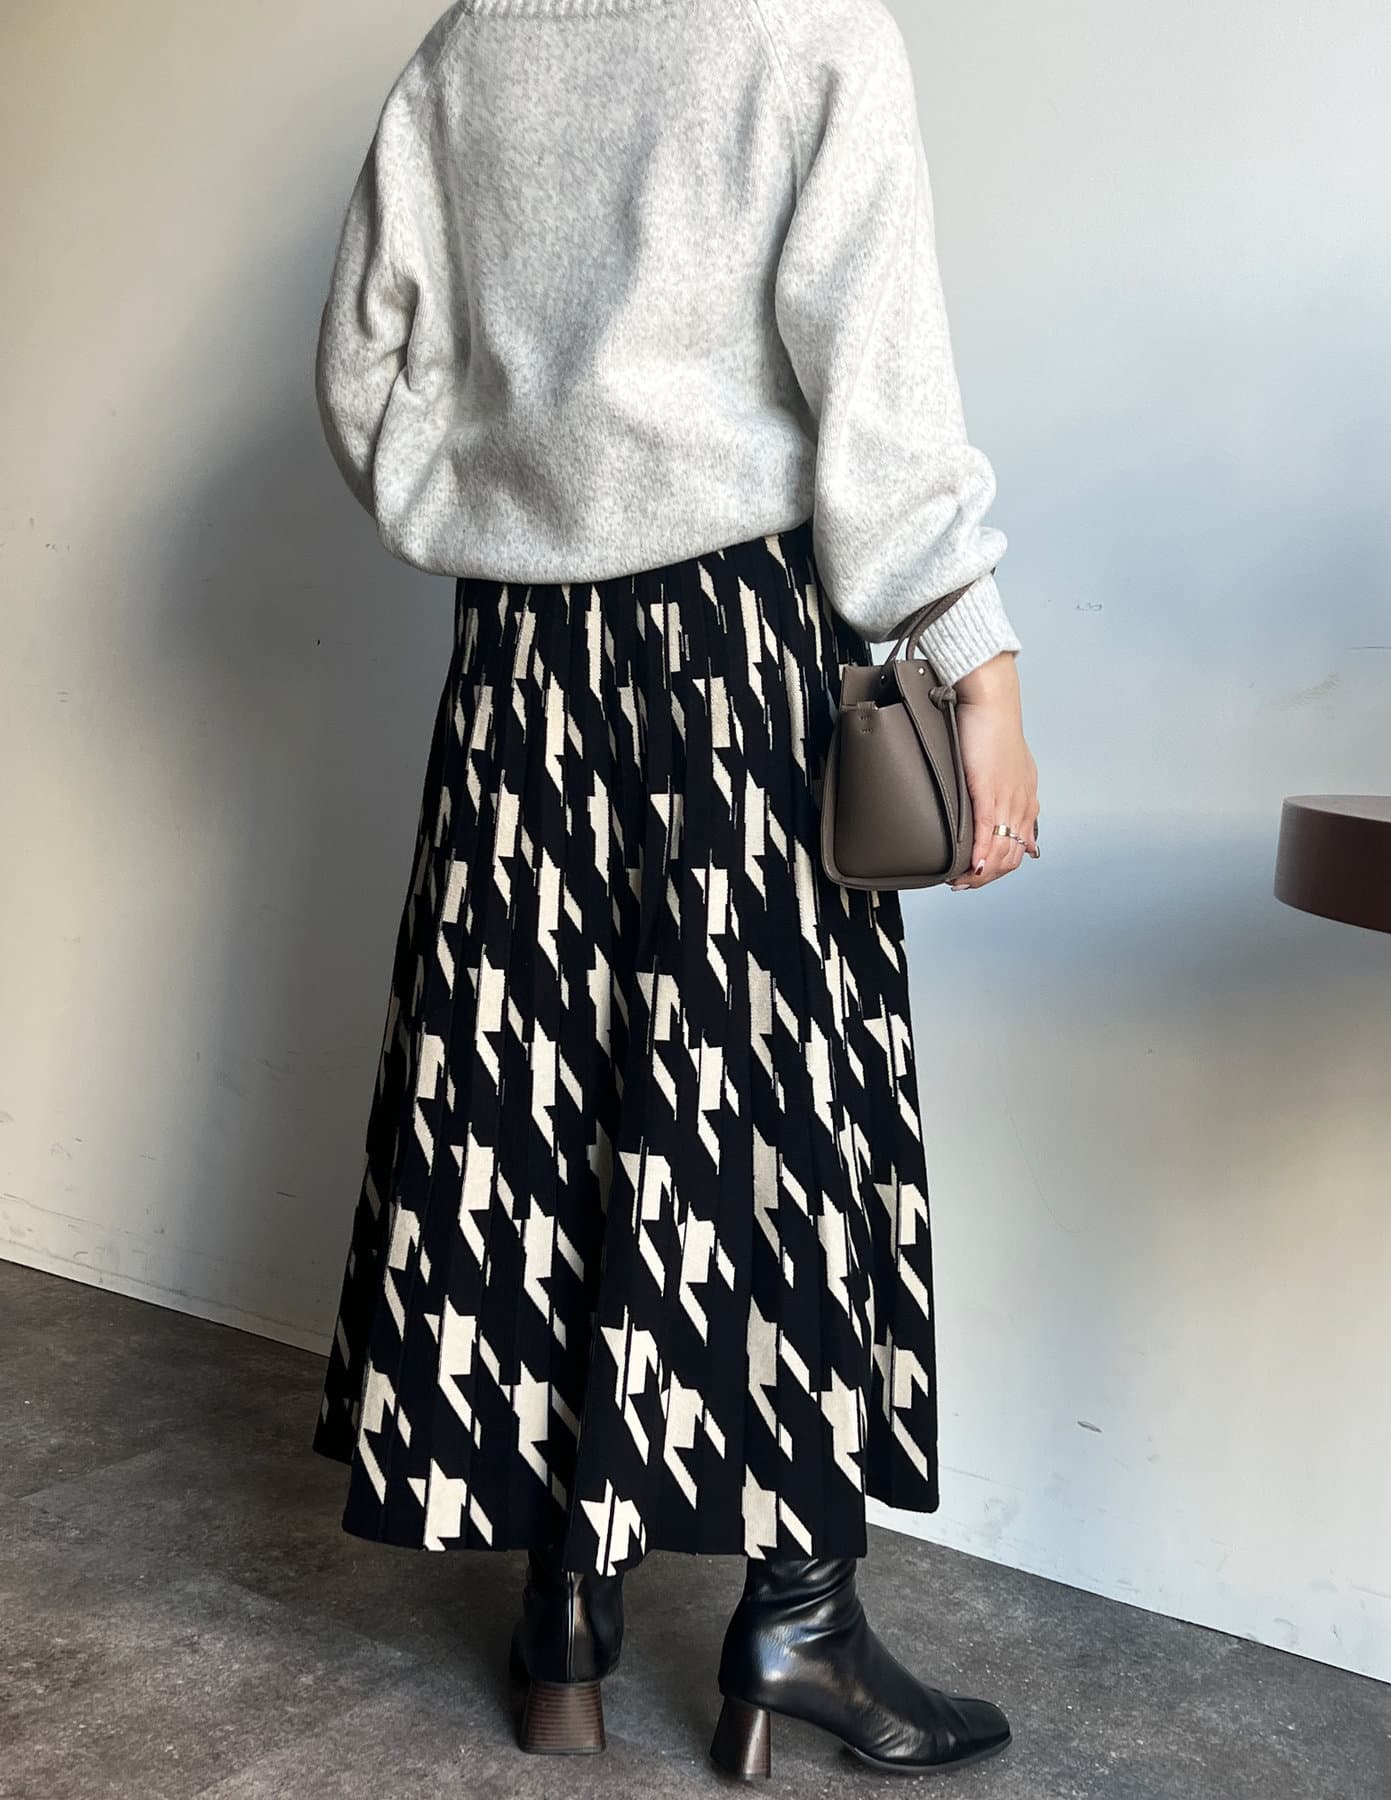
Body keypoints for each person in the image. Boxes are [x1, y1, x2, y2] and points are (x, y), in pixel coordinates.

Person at [309, 0, 1039, 1779]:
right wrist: (979, 658)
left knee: (533, 1108)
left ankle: (562, 1614)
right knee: (773, 1126)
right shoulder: (805, 31)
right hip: (733, 656)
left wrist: (491, 504)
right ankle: (798, 1620)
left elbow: (360, 363)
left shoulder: (471, 46)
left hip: (517, 669)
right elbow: (876, 378)